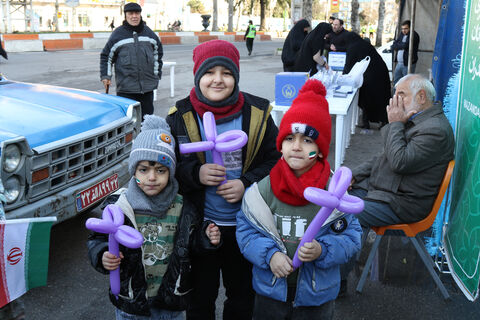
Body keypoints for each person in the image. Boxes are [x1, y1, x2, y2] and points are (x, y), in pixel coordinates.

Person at [166, 39, 281, 320]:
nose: (218, 80)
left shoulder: (258, 113)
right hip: (199, 228)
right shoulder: (180, 116)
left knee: (242, 297)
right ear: (197, 75)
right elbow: (165, 168)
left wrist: (246, 182)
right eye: (209, 72)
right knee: (199, 299)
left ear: (236, 77)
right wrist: (195, 174)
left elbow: (277, 160)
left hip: (246, 227)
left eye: (227, 73)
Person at [236, 79, 362, 319]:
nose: (296, 147)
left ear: (321, 149)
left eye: (307, 141)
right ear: (280, 145)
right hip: (271, 292)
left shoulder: (335, 192)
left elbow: (352, 239)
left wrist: (323, 250)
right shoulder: (262, 190)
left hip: (317, 295)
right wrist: (269, 255)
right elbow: (246, 232)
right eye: (289, 138)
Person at [87, 115, 221, 319]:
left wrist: (205, 238)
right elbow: (98, 239)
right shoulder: (119, 206)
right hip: (132, 301)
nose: (151, 177)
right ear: (134, 172)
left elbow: (190, 244)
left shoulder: (184, 207)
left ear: (171, 172)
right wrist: (103, 255)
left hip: (171, 301)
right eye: (143, 170)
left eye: (160, 170)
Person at [340, 74, 455, 292]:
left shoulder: (435, 130)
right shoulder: (418, 119)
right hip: (389, 191)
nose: (395, 100)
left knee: (347, 212)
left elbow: (399, 161)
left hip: (404, 203)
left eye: (401, 94)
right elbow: (384, 156)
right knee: (339, 199)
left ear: (421, 96)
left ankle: (336, 282)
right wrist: (355, 174)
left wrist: (394, 125)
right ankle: (334, 271)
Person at [100, 2, 163, 120]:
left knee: (147, 121)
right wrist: (106, 76)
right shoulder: (117, 34)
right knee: (129, 122)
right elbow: (106, 56)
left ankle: (145, 138)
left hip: (147, 89)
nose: (134, 16)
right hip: (126, 89)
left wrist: (156, 74)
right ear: (125, 15)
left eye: (137, 13)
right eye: (131, 13)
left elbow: (158, 54)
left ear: (140, 14)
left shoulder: (149, 33)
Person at [343, 32, 390, 129]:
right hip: (381, 71)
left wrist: (343, 78)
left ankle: (366, 122)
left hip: (371, 75)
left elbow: (348, 66)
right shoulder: (363, 43)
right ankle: (383, 120)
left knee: (366, 97)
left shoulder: (352, 47)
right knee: (381, 97)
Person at [391, 20, 420, 84]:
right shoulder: (401, 34)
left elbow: (406, 45)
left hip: (408, 63)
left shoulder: (414, 35)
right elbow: (394, 45)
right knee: (396, 82)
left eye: (406, 28)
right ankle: (396, 94)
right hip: (399, 63)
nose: (403, 30)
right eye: (402, 29)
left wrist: (399, 45)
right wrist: (401, 45)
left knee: (407, 83)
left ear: (411, 28)